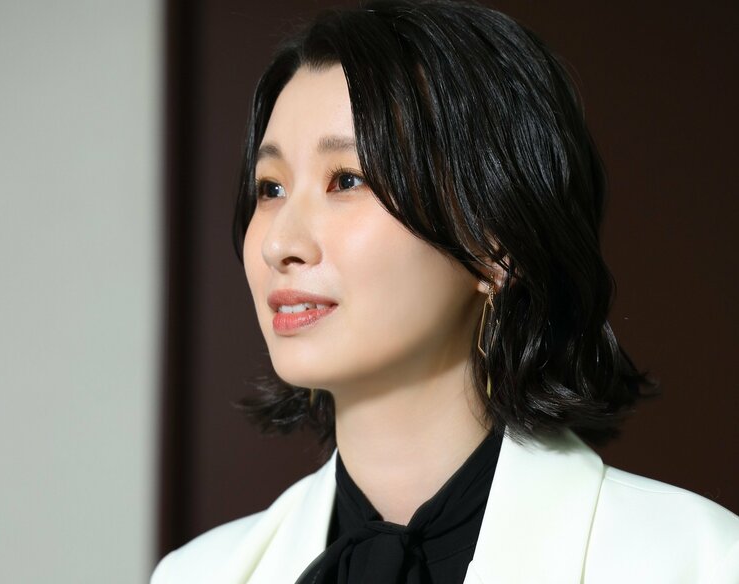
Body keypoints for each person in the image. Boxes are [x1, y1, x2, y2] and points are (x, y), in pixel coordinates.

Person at [151, 1, 739, 582]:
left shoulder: (699, 561)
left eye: (347, 179)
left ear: (495, 244)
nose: (280, 243)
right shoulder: (196, 574)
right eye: (271, 188)